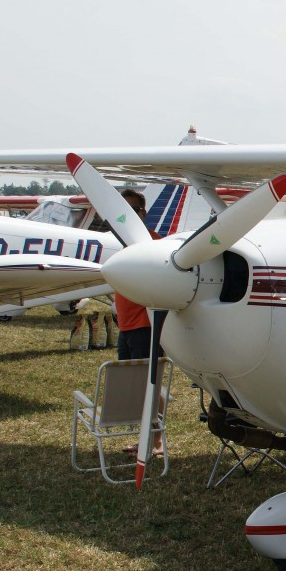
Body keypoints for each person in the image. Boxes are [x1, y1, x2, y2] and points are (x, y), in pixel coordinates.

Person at [114, 189, 165, 456]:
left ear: (143, 214)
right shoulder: (127, 245)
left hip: (145, 327)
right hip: (126, 326)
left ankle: (154, 441)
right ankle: (146, 437)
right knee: (135, 386)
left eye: (132, 210)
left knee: (149, 385)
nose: (126, 216)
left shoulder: (153, 244)